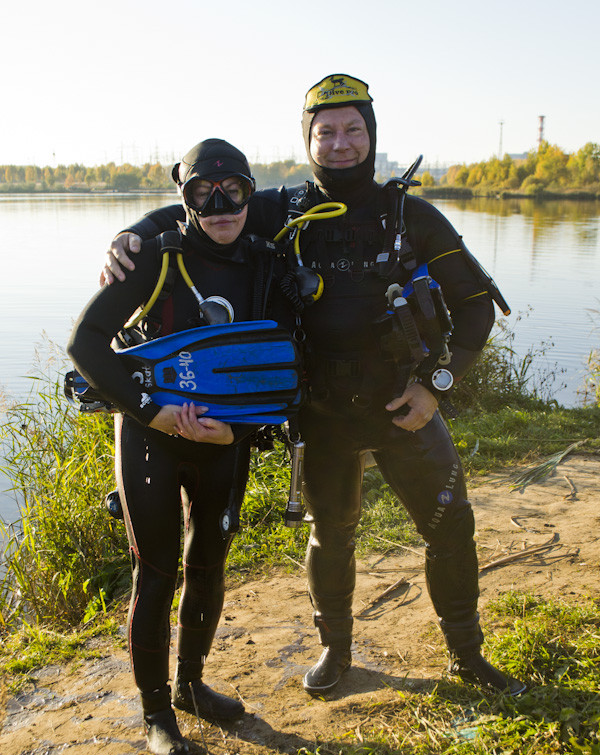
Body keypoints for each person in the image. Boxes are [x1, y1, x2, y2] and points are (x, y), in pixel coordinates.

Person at [102, 75, 527, 698]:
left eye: (353, 129)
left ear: (371, 135)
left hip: (402, 404)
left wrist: (436, 385)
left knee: (451, 525)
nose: (340, 143)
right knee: (332, 534)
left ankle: (467, 653)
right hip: (322, 413)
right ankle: (336, 651)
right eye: (325, 131)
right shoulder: (282, 208)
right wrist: (133, 232)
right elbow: (202, 207)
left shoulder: (413, 215)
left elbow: (476, 307)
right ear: (309, 140)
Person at [69, 138, 292, 755]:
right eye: (202, 193)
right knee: (158, 570)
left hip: (224, 439)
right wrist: (154, 412)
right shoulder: (154, 260)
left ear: (251, 192)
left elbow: (276, 368)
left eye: (234, 192)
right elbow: (85, 343)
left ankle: (192, 685)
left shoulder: (265, 263)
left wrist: (241, 432)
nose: (219, 206)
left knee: (210, 563)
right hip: (151, 435)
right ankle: (155, 713)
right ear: (183, 196)